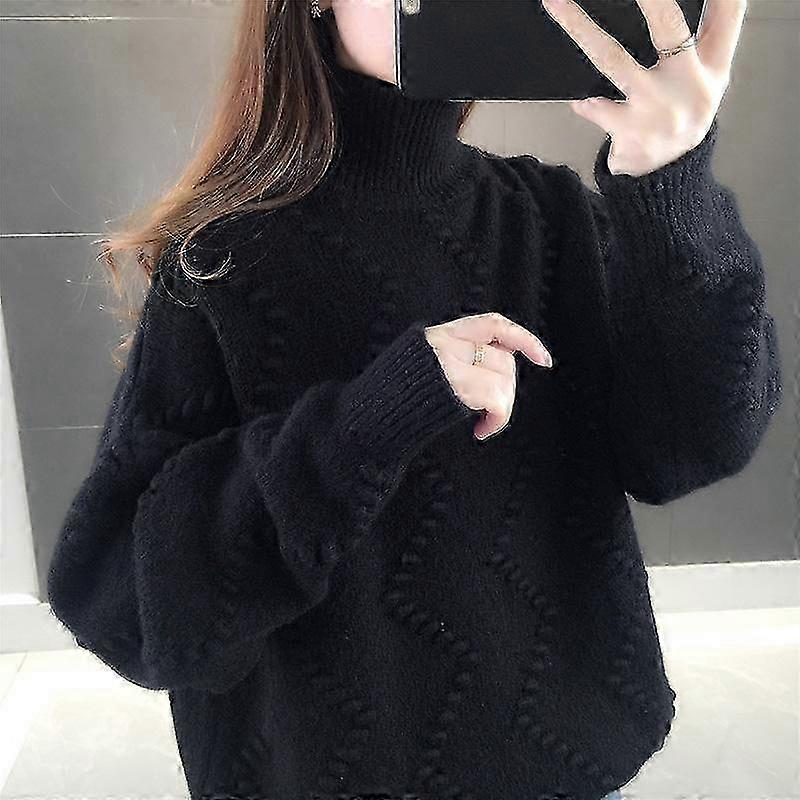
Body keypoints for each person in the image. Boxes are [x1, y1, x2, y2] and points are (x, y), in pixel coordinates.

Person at [46, 1, 781, 799]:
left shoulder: (552, 219)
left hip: (569, 767)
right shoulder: (219, 262)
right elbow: (120, 604)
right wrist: (363, 426)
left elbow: (694, 445)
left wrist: (671, 187)